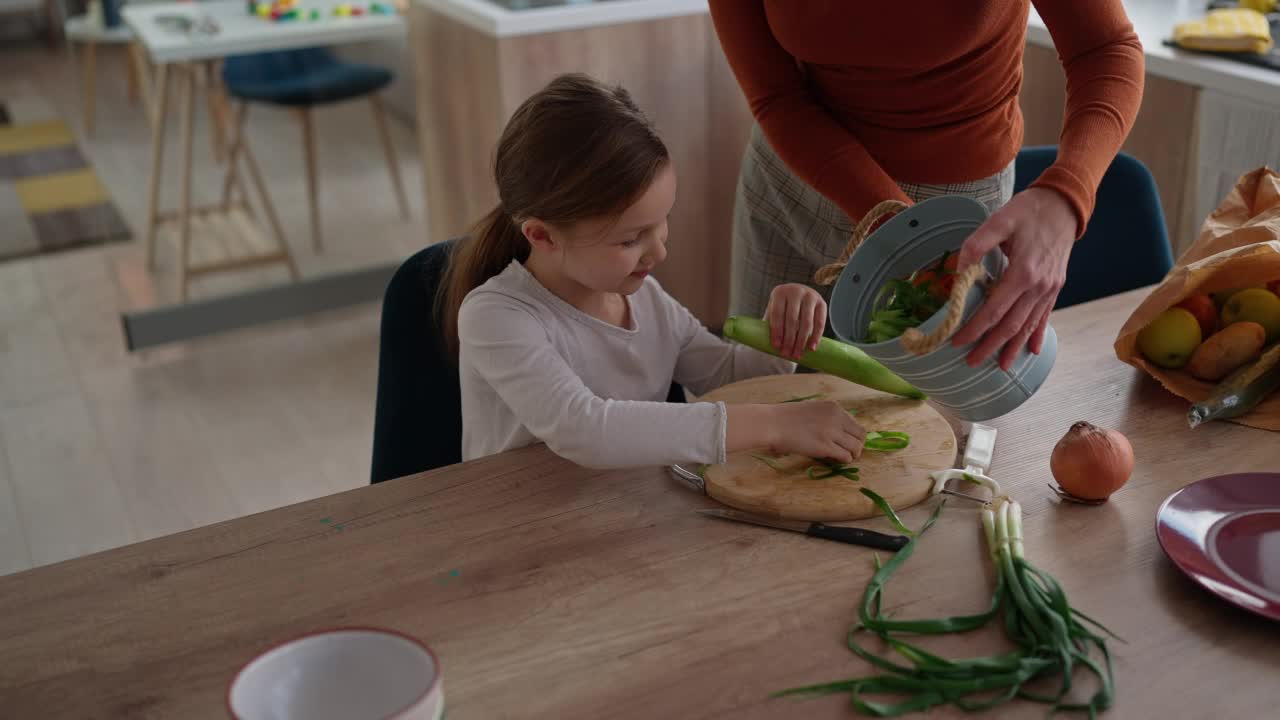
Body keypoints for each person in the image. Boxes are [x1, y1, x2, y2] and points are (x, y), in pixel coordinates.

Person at [441, 73, 866, 469]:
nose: (659, 251)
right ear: (542, 236)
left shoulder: (644, 299)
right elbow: (585, 430)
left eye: (662, 222)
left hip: (623, 515)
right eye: (630, 240)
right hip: (515, 529)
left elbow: (728, 376)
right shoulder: (495, 315)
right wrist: (773, 424)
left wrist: (781, 332)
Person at [708, 1, 1145, 370]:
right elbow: (777, 96)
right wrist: (892, 220)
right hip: (790, 186)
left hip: (954, 211)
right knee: (757, 399)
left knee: (927, 438)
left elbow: (1105, 48)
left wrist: (1067, 195)